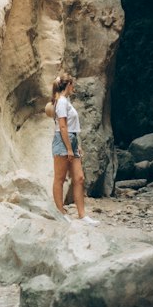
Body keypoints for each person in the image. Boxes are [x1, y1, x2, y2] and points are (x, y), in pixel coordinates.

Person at [50, 73, 96, 224]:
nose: (73, 88)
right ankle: (60, 212)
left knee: (79, 178)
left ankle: (82, 215)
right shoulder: (61, 102)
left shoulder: (66, 101)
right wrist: (69, 148)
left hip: (72, 140)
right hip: (63, 140)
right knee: (60, 178)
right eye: (72, 85)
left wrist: (77, 146)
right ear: (68, 85)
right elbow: (62, 126)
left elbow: (71, 126)